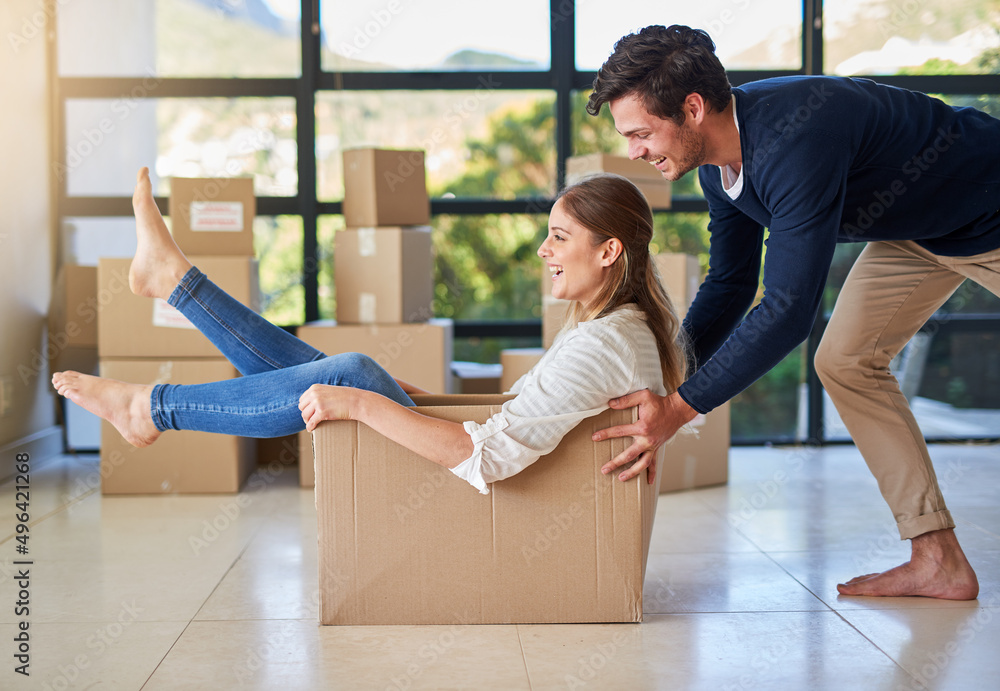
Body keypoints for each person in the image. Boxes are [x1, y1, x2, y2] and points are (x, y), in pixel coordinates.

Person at [585, 24, 1000, 600]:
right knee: (847, 361)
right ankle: (938, 558)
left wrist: (677, 410)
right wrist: (666, 370)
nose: (634, 151)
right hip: (923, 230)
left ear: (693, 108)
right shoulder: (716, 166)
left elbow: (786, 311)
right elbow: (731, 283)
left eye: (641, 133)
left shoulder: (795, 139)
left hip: (990, 207)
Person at [53, 168, 687, 494]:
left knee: (349, 378)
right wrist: (401, 396)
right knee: (348, 375)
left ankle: (153, 401)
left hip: (485, 491)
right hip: (500, 475)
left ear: (608, 252)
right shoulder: (613, 327)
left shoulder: (603, 341)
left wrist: (363, 401)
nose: (543, 249)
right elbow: (521, 416)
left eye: (559, 236)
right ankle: (172, 289)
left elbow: (487, 456)